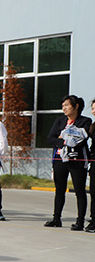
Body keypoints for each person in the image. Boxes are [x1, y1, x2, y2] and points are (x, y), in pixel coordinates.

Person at [45, 95, 92, 231]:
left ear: (76, 106)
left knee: (79, 191)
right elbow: (51, 138)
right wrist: (65, 141)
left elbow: (80, 139)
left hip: (77, 160)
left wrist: (64, 136)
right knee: (59, 190)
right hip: (60, 159)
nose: (64, 108)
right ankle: (56, 218)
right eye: (63, 106)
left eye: (66, 105)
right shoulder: (60, 121)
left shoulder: (85, 121)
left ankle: (80, 221)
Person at [87, 99, 95, 233]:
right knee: (93, 193)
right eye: (93, 108)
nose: (94, 111)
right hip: (94, 163)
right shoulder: (93, 125)